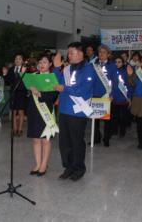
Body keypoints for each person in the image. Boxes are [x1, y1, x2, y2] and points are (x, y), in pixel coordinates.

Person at [53, 42, 95, 181]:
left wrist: (65, 89)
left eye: (71, 52)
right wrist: (57, 68)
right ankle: (68, 166)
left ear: (81, 53)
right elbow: (57, 82)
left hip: (78, 111)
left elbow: (84, 90)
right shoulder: (67, 69)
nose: (68, 55)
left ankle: (79, 168)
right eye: (68, 52)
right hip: (64, 109)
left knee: (76, 142)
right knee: (64, 142)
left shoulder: (88, 69)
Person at [26, 54, 59, 177]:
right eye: (40, 62)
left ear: (50, 64)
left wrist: (40, 94)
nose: (42, 64)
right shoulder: (32, 77)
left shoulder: (52, 77)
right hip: (33, 110)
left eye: (45, 62)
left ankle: (44, 164)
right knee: (35, 139)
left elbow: (53, 96)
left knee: (45, 139)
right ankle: (37, 164)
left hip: (46, 110)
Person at [92, 45, 117, 146]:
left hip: (107, 95)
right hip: (95, 94)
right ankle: (96, 138)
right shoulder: (93, 65)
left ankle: (106, 138)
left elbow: (115, 82)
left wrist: (112, 94)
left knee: (107, 119)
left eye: (104, 52)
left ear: (108, 54)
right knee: (95, 119)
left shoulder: (112, 66)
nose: (101, 54)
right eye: (100, 52)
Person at [3, 54, 29, 136]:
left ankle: (20, 130)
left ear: (22, 61)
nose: (17, 60)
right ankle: (14, 129)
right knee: (14, 111)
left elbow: (27, 82)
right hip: (13, 92)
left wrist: (22, 73)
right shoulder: (11, 69)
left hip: (21, 92)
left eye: (19, 59)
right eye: (16, 59)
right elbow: (7, 82)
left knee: (21, 111)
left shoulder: (25, 69)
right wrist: (4, 75)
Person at [111, 55, 132, 138]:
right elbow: (110, 85)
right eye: (115, 62)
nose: (117, 63)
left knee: (123, 117)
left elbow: (129, 85)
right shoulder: (112, 72)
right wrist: (111, 95)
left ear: (123, 63)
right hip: (114, 97)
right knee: (114, 116)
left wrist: (129, 97)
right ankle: (115, 130)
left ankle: (122, 131)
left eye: (119, 62)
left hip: (124, 97)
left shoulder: (126, 72)